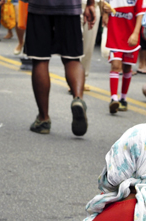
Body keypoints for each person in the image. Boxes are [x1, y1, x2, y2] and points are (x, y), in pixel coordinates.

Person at [24, 0, 96, 136]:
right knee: (72, 58)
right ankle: (78, 99)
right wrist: (90, 4)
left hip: (40, 7)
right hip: (70, 7)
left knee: (40, 60)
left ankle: (43, 119)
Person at [103, 0, 146, 113]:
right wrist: (105, 11)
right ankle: (113, 98)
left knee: (127, 68)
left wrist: (136, 33)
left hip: (130, 34)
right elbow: (104, 4)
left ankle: (123, 98)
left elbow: (140, 13)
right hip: (115, 34)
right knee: (116, 65)